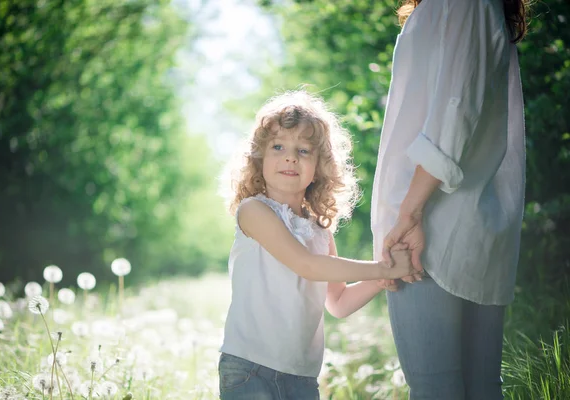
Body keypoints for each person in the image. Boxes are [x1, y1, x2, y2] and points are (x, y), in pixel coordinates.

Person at [371, 0, 528, 399]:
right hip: (471, 224)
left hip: (431, 230)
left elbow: (452, 113)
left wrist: (410, 211)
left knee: (435, 389)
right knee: (478, 389)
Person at [218, 90, 415, 400]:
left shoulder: (319, 230)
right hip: (249, 367)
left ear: (319, 167)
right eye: (278, 146)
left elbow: (338, 303)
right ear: (259, 158)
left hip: (302, 375)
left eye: (304, 151)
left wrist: (383, 278)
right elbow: (306, 265)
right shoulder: (254, 211)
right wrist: (383, 266)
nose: (290, 157)